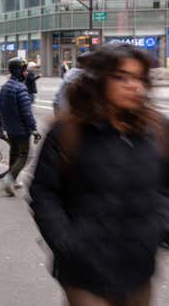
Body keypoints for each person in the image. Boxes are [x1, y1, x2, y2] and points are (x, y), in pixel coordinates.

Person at [30, 44, 169, 306]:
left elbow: (165, 186)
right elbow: (44, 192)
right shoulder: (68, 131)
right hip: (85, 273)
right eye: (121, 77)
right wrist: (66, 242)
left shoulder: (158, 129)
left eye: (139, 78)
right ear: (98, 81)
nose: (134, 86)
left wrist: (159, 226)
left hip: (139, 270)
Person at [0, 57, 40, 196]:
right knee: (25, 155)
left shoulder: (5, 87)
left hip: (10, 128)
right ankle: (9, 179)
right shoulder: (21, 88)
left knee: (14, 152)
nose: (26, 73)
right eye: (24, 70)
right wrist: (33, 128)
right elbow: (26, 112)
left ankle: (13, 180)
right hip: (21, 129)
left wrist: (2, 125)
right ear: (18, 71)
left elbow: (0, 108)